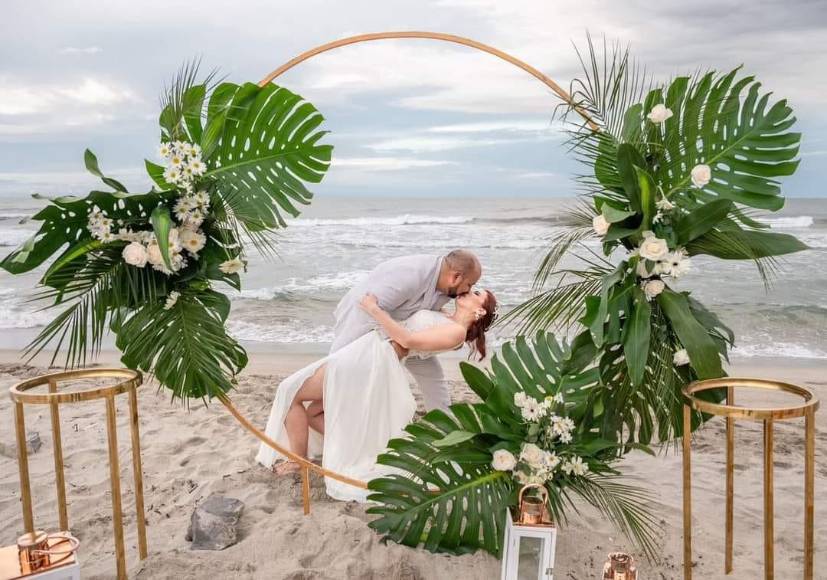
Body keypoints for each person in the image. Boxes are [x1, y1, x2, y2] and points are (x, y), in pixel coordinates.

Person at [255, 287, 497, 502]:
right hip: (370, 353)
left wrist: (373, 309)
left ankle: (297, 461)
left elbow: (407, 339)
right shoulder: (444, 316)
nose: (470, 291)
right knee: (313, 412)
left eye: (477, 293)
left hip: (373, 360)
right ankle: (353, 449)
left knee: (291, 391)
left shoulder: (456, 332)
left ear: (481, 311)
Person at [331, 250, 482, 412]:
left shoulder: (447, 286)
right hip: (368, 324)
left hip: (409, 340)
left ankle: (444, 421)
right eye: (470, 284)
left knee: (433, 378)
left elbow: (436, 326)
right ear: (456, 277)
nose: (468, 290)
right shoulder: (409, 276)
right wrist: (347, 357)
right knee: (341, 377)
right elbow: (364, 312)